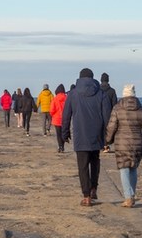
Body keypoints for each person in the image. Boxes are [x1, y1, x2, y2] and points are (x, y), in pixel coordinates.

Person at [62, 68, 112, 206]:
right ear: (92, 78)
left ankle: (86, 197)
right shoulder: (101, 94)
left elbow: (66, 116)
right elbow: (107, 116)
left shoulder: (72, 94)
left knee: (82, 166)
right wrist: (109, 136)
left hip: (80, 134)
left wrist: (64, 133)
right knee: (95, 161)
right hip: (96, 134)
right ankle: (93, 188)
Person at [105, 83, 142, 208]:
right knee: (133, 168)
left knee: (124, 169)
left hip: (122, 143)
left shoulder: (117, 108)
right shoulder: (141, 109)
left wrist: (107, 141)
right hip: (137, 143)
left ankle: (128, 197)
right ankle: (132, 195)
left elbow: (111, 126)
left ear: (124, 94)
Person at [99, 73, 119, 153]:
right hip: (109, 113)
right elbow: (115, 104)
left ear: (101, 80)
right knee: (108, 130)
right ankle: (106, 145)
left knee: (100, 129)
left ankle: (102, 145)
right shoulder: (112, 91)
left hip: (99, 113)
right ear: (108, 80)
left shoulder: (97, 90)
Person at [49, 84, 67, 153]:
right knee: (63, 133)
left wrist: (52, 115)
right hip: (65, 118)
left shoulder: (55, 99)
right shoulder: (67, 98)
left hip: (57, 119)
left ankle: (60, 146)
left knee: (58, 134)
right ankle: (62, 145)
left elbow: (52, 110)